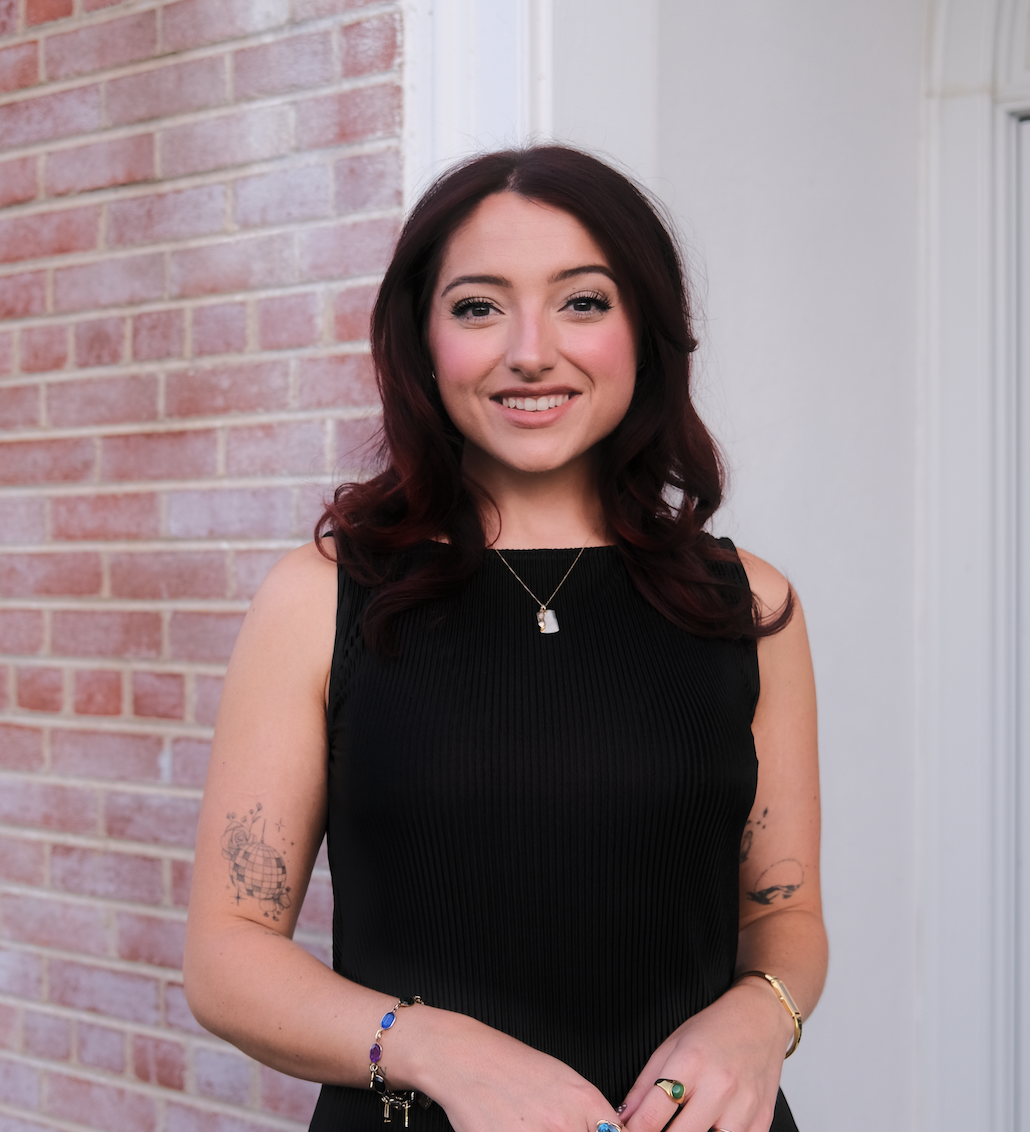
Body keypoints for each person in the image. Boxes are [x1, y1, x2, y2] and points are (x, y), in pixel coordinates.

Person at [184, 145, 827, 1132]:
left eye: (582, 302)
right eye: (479, 306)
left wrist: (758, 1015)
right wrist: (445, 1052)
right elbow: (228, 960)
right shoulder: (322, 598)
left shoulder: (746, 605)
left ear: (645, 331)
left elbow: (781, 914)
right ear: (423, 338)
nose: (530, 350)